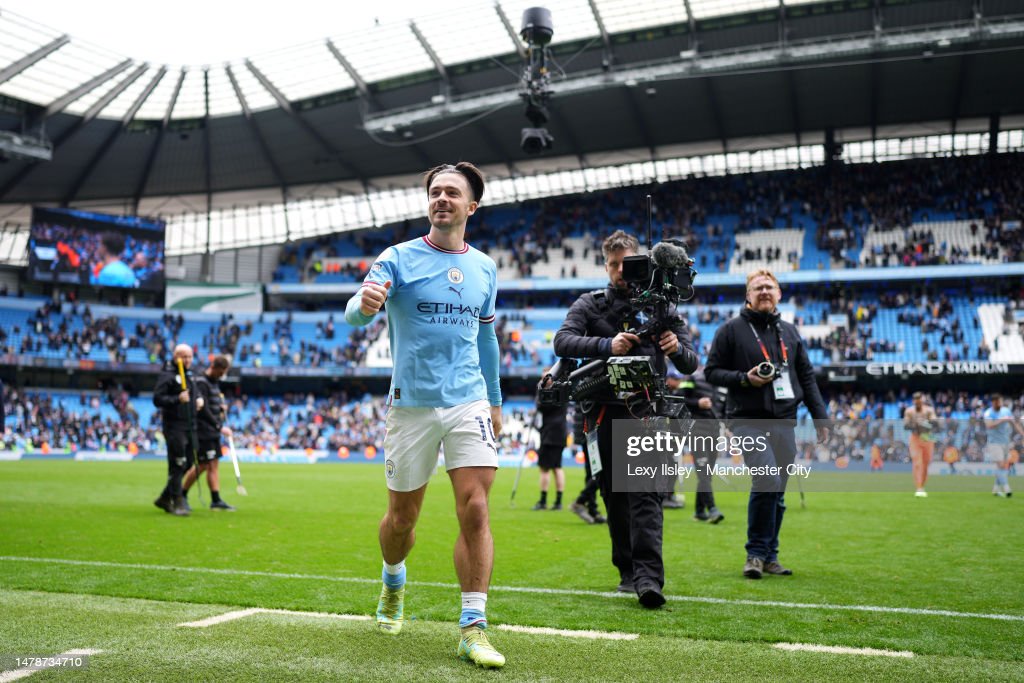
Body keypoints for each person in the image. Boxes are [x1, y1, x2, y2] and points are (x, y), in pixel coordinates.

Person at [344, 162, 505, 669]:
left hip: (468, 401)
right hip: (409, 406)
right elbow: (355, 310)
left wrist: (495, 401)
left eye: (451, 193)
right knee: (400, 521)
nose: (441, 198)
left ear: (471, 206)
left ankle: (472, 627)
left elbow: (486, 338)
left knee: (475, 509)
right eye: (435, 192)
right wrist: (364, 303)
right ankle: (393, 582)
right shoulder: (396, 257)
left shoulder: (485, 267)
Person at [553, 229, 698, 608]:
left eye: (628, 263)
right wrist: (607, 345)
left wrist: (676, 347)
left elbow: (692, 362)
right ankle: (627, 572)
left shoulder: (662, 308)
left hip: (646, 414)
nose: (621, 270)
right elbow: (562, 341)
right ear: (606, 265)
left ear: (642, 263)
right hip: (601, 413)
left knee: (646, 496)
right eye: (614, 264)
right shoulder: (590, 303)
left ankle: (649, 580)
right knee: (614, 499)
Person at [705, 269, 828, 579]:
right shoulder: (730, 330)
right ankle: (755, 554)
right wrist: (744, 379)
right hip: (747, 419)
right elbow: (711, 372)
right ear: (747, 295)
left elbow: (807, 376)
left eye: (769, 287)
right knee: (767, 479)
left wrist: (820, 417)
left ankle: (770, 555)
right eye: (757, 287)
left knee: (778, 490)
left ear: (779, 294)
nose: (763, 291)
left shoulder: (790, 332)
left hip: (786, 420)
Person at [152, 344, 203, 517]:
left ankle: (165, 498)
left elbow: (194, 393)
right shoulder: (167, 375)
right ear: (176, 357)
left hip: (191, 424)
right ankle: (177, 500)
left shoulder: (190, 374)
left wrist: (199, 399)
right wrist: (177, 399)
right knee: (177, 463)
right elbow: (158, 399)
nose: (187, 360)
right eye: (184, 357)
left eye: (189, 356)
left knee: (189, 462)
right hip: (175, 426)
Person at [668, 368, 724, 523]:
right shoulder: (693, 378)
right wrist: (697, 403)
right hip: (696, 429)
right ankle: (712, 508)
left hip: (714, 431)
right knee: (703, 471)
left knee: (707, 473)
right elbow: (677, 398)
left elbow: (723, 409)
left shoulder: (721, 386)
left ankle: (699, 512)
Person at [182, 354, 235, 511]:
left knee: (213, 464)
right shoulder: (201, 382)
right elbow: (202, 409)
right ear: (215, 367)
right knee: (204, 465)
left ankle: (216, 500)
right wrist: (219, 427)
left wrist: (219, 408)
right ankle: (182, 494)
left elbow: (211, 405)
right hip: (204, 430)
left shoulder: (214, 383)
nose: (222, 375)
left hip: (212, 431)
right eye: (222, 372)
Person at [532, 375, 567, 511]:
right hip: (560, 433)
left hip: (549, 434)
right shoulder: (563, 392)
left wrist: (539, 390)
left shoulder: (549, 395)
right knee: (557, 467)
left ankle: (543, 500)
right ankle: (558, 501)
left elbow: (540, 406)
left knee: (545, 468)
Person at [983, 393, 1023, 498]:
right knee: (1001, 465)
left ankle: (995, 489)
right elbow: (989, 425)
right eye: (997, 401)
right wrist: (1002, 420)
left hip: (1006, 442)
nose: (999, 403)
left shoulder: (1006, 411)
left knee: (1003, 466)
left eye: (1000, 401)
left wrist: (1023, 434)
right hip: (994, 443)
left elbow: (1015, 423)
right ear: (993, 402)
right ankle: (1007, 488)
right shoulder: (988, 413)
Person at [903, 391, 939, 497]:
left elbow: (935, 422)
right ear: (914, 401)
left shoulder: (929, 410)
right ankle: (918, 487)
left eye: (919, 400)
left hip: (927, 438)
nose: (918, 402)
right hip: (915, 438)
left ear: (922, 400)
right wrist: (915, 424)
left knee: (926, 464)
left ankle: (922, 486)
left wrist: (925, 423)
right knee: (917, 463)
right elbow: (905, 425)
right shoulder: (909, 411)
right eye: (916, 400)